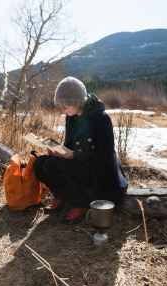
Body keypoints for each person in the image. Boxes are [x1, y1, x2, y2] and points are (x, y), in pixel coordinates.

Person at [33, 76, 128, 225]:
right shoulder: (71, 117)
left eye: (66, 105)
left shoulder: (101, 118)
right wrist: (58, 152)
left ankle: (81, 203)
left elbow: (106, 156)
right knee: (39, 163)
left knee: (51, 166)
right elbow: (69, 145)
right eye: (61, 105)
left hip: (98, 173)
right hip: (80, 166)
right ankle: (63, 196)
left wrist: (73, 156)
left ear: (77, 101)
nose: (63, 109)